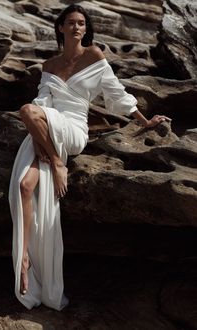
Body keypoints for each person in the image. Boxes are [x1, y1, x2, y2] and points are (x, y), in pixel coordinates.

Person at [9, 4, 171, 311]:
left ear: (86, 28)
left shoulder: (94, 55)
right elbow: (41, 103)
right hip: (46, 127)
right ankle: (25, 258)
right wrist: (39, 128)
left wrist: (145, 122)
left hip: (72, 130)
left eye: (81, 23)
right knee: (25, 187)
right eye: (70, 22)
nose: (76, 27)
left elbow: (116, 94)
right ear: (60, 27)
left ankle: (59, 165)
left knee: (27, 111)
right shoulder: (50, 64)